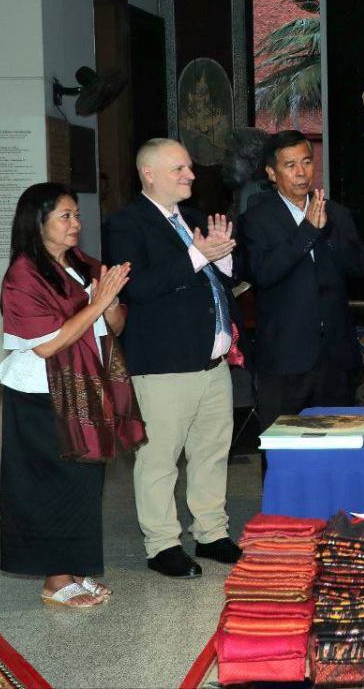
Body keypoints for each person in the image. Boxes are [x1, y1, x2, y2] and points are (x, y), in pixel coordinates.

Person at [0, 183, 145, 608]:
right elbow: (46, 345)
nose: (76, 223)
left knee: (84, 481)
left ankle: (77, 571)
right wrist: (97, 304)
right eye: (65, 216)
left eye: (76, 214)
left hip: (85, 386)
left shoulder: (83, 264)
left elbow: (114, 326)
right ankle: (56, 579)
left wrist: (109, 303)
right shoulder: (24, 274)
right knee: (50, 484)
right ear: (38, 222)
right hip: (41, 395)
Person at [104, 138, 242, 579]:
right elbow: (138, 287)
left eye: (189, 167)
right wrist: (199, 255)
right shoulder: (126, 224)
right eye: (179, 168)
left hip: (212, 364)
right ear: (149, 174)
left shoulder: (196, 219)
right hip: (163, 366)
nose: (191, 175)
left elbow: (221, 281)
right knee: (160, 459)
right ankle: (162, 543)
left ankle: (211, 532)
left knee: (211, 452)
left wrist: (223, 258)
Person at [239, 130, 364, 428]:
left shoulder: (335, 213)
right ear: (272, 173)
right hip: (286, 358)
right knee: (284, 446)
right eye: (290, 165)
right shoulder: (256, 219)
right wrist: (308, 231)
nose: (301, 172)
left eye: (307, 162)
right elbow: (263, 274)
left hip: (335, 357)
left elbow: (359, 267)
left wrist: (326, 230)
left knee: (337, 444)